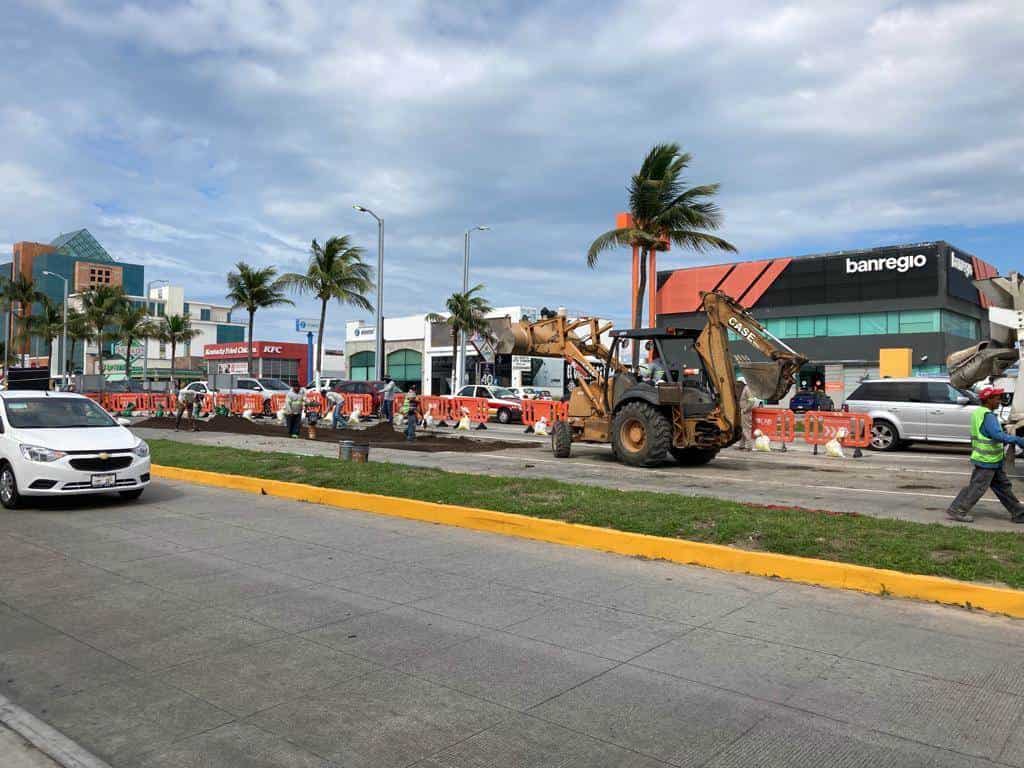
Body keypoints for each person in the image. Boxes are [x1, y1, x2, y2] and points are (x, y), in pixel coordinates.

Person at [947, 387, 1024, 523]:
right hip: (987, 460)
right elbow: (996, 435)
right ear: (988, 400)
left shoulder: (979, 413)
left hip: (991, 460)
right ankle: (958, 510)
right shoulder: (988, 416)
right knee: (977, 487)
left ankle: (1018, 512)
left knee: (1003, 487)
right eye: (997, 398)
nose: (1000, 401)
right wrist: (1018, 440)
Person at [734, 378, 757, 450]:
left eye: (739, 382)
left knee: (746, 429)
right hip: (743, 412)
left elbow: (752, 401)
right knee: (742, 429)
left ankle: (749, 446)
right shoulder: (743, 389)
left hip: (746, 412)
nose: (738, 384)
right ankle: (741, 445)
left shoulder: (747, 389)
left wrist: (745, 409)